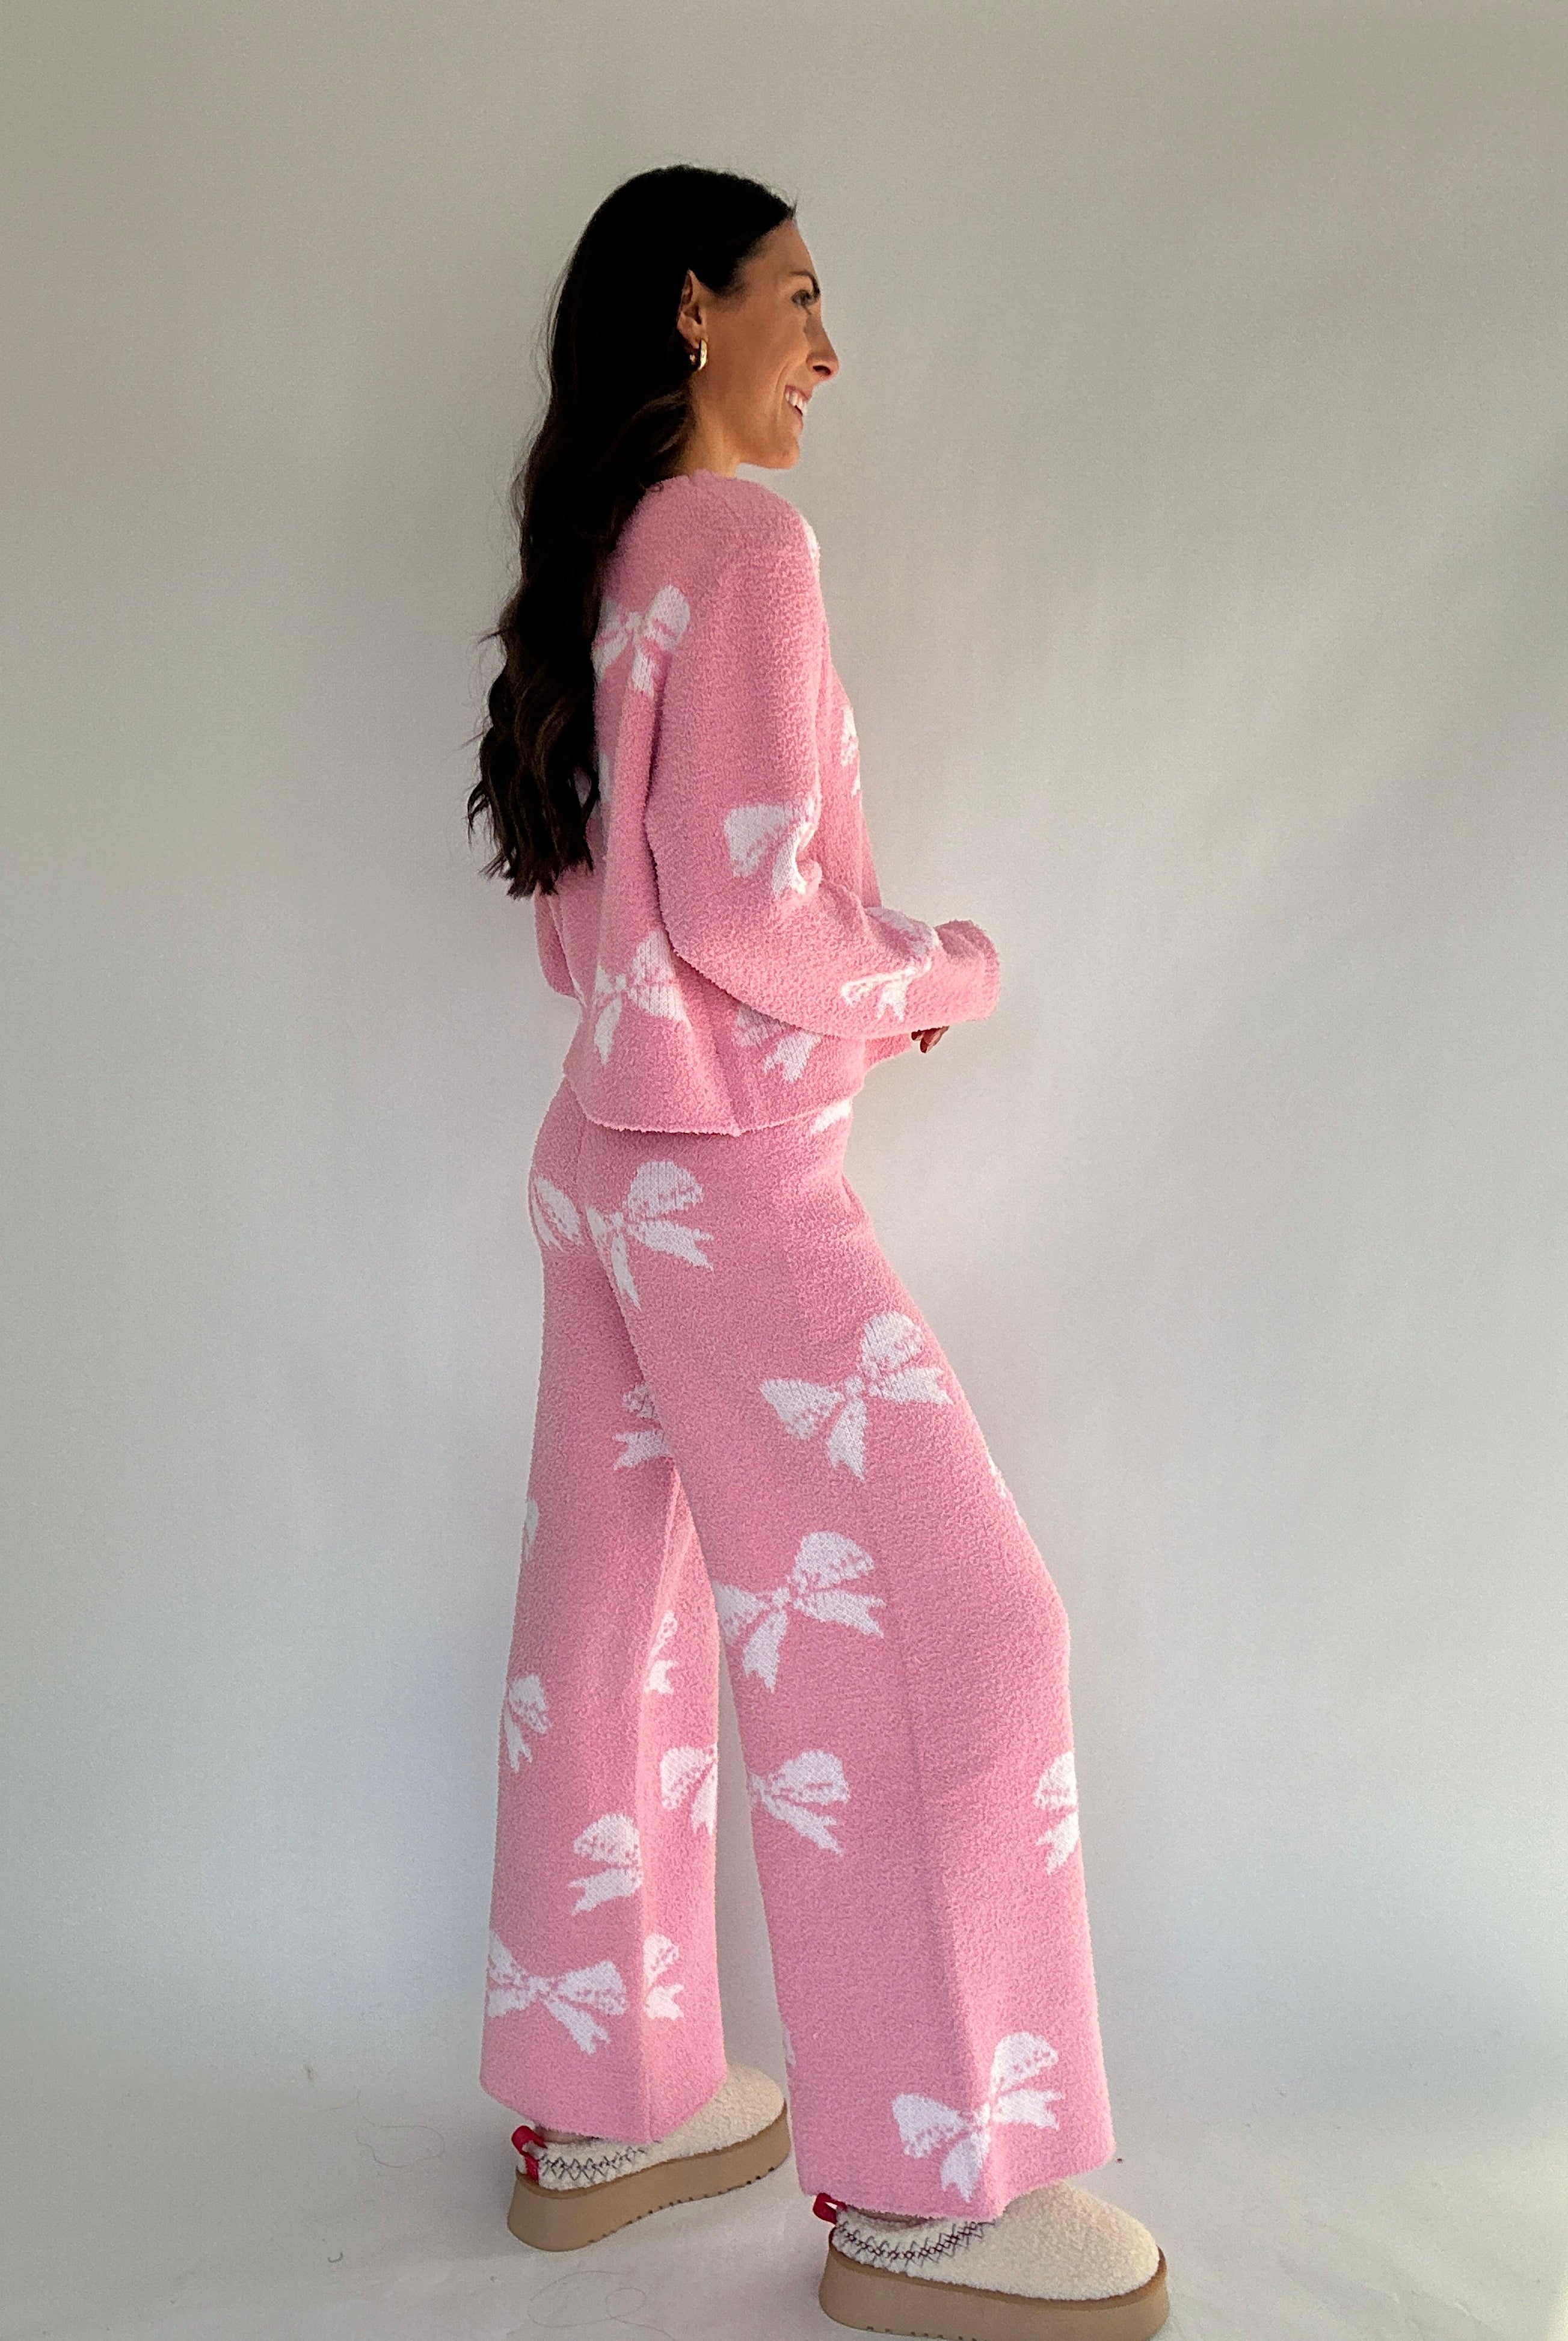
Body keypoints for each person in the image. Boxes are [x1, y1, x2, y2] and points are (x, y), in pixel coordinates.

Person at [467, 164, 1170, 2341]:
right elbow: (754, 911)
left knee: (620, 1605)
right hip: (733, 1174)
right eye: (799, 300)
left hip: (603, 1152)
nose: (826, 352)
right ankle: (932, 2193)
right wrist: (935, 965)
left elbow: (603, 911)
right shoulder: (745, 545)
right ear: (693, 312)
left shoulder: (604, 556)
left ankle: (610, 2102)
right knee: (960, 1625)